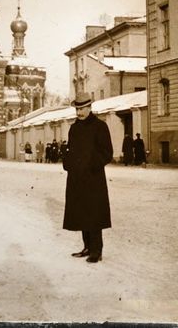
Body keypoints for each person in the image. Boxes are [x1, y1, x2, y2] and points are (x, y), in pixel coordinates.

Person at [62, 92, 113, 264]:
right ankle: (87, 247)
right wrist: (68, 163)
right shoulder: (74, 128)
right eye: (77, 109)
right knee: (82, 212)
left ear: (90, 107)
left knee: (94, 214)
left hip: (93, 178)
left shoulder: (100, 127)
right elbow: (69, 149)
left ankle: (96, 251)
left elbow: (107, 153)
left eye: (82, 109)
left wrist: (91, 165)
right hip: (77, 178)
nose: (79, 113)